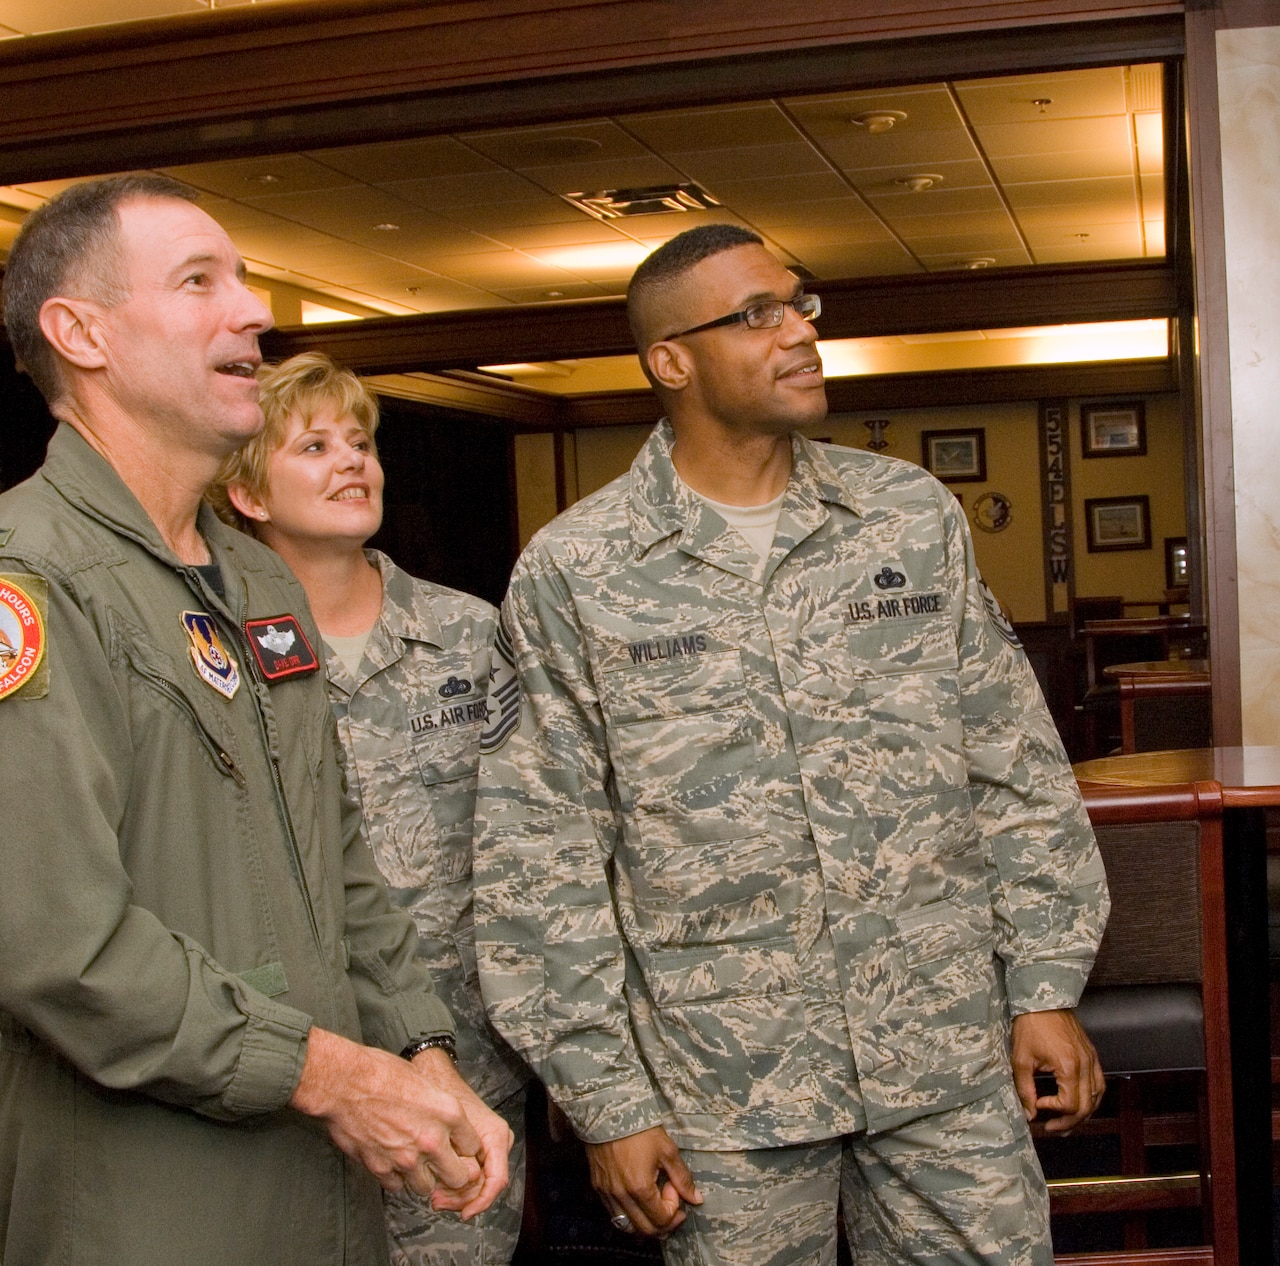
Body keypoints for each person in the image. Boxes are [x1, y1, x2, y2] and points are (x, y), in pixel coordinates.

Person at [476, 223, 1107, 1265]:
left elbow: (1012, 763)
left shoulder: (904, 518)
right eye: (755, 315)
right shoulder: (575, 571)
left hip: (941, 1047)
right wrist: (605, 1098)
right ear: (669, 360)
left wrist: (1042, 983)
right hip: (727, 1081)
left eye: (799, 305)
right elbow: (540, 856)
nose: (799, 333)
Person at [0, 175, 510, 1264]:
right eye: (200, 282)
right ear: (80, 332)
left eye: (244, 278)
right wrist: (332, 1076)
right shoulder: (30, 583)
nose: (254, 311)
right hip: (153, 1197)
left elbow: (340, 860)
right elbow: (57, 943)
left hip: (326, 1190)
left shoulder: (257, 584)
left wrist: (418, 1048)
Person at [212, 352, 532, 1265]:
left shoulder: (469, 634)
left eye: (361, 442)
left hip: (459, 1067)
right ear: (247, 491)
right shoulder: (211, 648)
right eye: (313, 445)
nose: (353, 461)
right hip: (284, 1077)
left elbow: (534, 842)